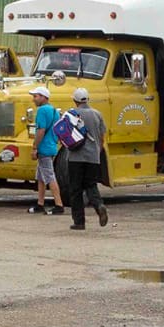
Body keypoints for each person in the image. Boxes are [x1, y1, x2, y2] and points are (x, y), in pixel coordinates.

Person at [61, 86, 109, 229]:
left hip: (75, 157)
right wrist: (97, 151)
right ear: (88, 99)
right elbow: (102, 137)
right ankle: (99, 205)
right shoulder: (97, 114)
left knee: (75, 189)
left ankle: (79, 222)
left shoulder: (70, 114)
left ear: (75, 101)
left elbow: (63, 134)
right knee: (91, 185)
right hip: (93, 157)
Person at [28, 84, 63, 216]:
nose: (34, 99)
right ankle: (40, 203)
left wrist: (35, 147)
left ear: (43, 97)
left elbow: (41, 130)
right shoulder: (54, 110)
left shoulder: (42, 111)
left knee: (49, 176)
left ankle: (59, 204)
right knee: (41, 176)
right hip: (52, 146)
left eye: (36, 96)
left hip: (44, 148)